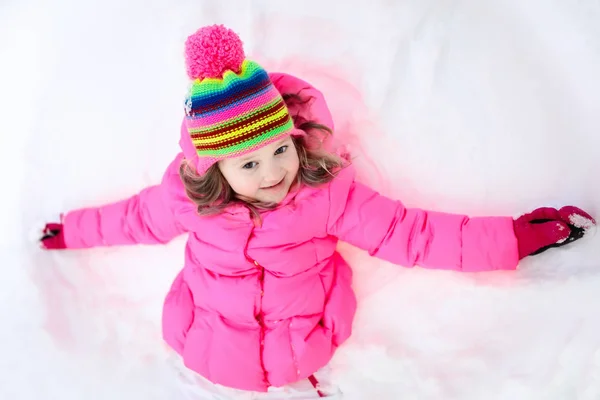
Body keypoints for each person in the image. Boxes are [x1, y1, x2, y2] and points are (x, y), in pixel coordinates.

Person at [39, 24, 596, 396]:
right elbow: (130, 219)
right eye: (248, 164)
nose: (273, 172)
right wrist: (70, 232)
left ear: (296, 139)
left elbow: (415, 234)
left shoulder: (327, 195)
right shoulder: (188, 201)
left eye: (279, 149)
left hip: (304, 344)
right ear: (215, 170)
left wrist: (513, 239)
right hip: (200, 342)